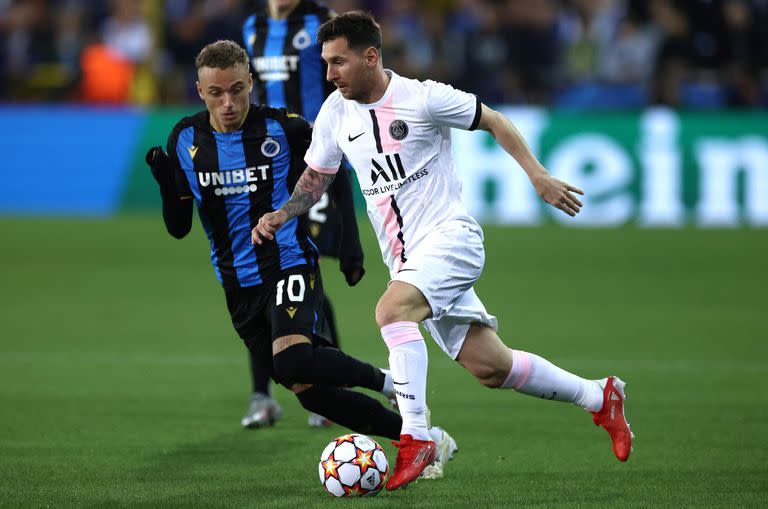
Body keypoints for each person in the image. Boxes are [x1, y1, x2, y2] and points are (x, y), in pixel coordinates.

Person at [251, 11, 634, 491]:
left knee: (391, 311)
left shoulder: (423, 97)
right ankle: (600, 397)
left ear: (371, 57)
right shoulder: (335, 111)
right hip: (409, 261)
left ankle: (416, 437)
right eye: (326, 63)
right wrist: (283, 213)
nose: (330, 74)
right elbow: (318, 177)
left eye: (339, 62)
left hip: (451, 239)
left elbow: (493, 120)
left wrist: (538, 175)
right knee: (491, 367)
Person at [145, 40, 457, 460]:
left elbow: (334, 174)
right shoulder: (186, 138)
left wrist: (350, 248)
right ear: (201, 92)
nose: (229, 102)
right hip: (237, 283)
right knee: (310, 393)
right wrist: (167, 182)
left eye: (237, 89)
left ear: (251, 83)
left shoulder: (285, 128)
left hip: (288, 261)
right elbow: (179, 228)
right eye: (216, 93)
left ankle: (388, 383)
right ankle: (427, 441)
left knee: (292, 361)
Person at [240, 0, 365, 429]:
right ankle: (263, 396)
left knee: (300, 274)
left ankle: (325, 387)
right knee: (265, 278)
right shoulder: (252, 27)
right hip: (265, 164)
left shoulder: (319, 21)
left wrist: (352, 243)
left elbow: (341, 81)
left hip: (315, 163)